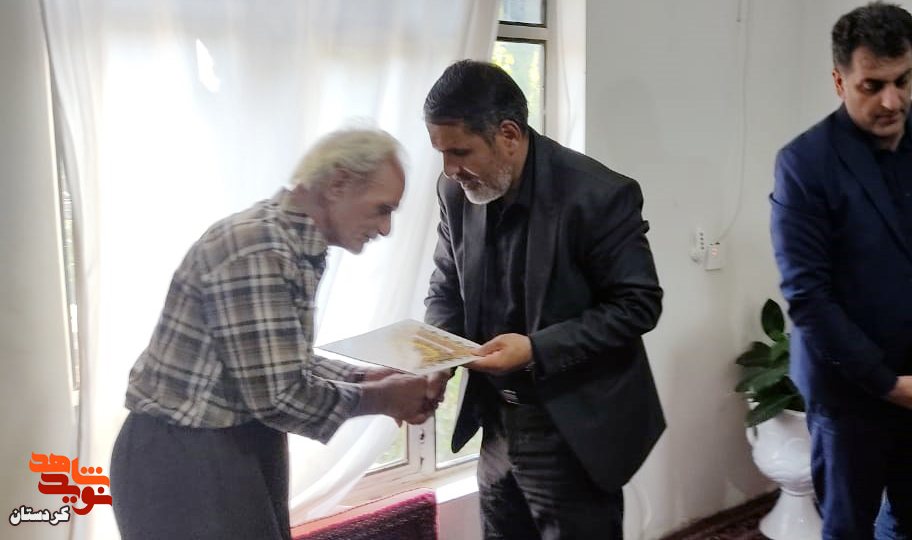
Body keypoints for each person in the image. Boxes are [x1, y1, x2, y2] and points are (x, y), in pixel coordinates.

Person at [111, 127, 446, 540]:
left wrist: (369, 378)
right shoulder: (258, 247)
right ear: (338, 184)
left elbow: (280, 360)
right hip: (185, 458)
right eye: (382, 209)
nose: (386, 228)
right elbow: (278, 395)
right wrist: (384, 397)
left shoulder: (287, 244)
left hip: (228, 445)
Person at [769, 1, 912, 539]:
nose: (892, 101)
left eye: (902, 80)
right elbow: (808, 298)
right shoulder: (804, 164)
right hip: (851, 392)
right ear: (839, 81)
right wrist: (888, 385)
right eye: (872, 85)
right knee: (849, 527)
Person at [422, 60, 665, 540]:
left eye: (460, 152)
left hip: (572, 423)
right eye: (441, 153)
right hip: (497, 418)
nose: (450, 170)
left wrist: (535, 349)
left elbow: (638, 304)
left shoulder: (598, 194)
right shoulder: (455, 191)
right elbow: (446, 287)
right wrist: (435, 356)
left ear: (509, 135)